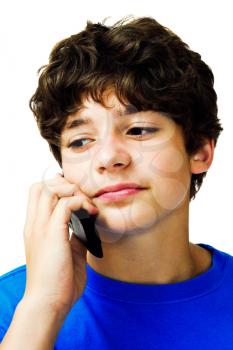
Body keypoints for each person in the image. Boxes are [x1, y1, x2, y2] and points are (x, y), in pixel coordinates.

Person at [0, 15, 232, 349]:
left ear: (200, 150)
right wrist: (44, 307)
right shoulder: (13, 310)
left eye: (138, 130)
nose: (108, 157)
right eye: (81, 141)